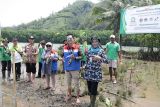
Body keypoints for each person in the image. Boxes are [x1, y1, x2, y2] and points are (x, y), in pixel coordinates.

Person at [84, 36, 108, 107]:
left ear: (98, 42)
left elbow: (107, 60)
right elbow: (87, 60)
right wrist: (84, 66)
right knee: (90, 89)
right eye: (93, 42)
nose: (94, 43)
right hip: (88, 72)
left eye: (96, 42)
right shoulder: (89, 50)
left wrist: (99, 58)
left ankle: (92, 104)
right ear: (91, 42)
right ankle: (91, 103)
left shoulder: (101, 51)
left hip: (96, 73)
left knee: (94, 90)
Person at [62, 34, 82, 104]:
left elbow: (81, 57)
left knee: (76, 84)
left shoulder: (77, 47)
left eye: (71, 39)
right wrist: (62, 59)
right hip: (67, 69)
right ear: (67, 41)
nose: (69, 40)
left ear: (73, 40)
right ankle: (70, 95)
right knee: (68, 84)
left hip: (75, 69)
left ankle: (77, 97)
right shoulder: (64, 48)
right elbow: (62, 56)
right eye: (68, 39)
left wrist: (75, 58)